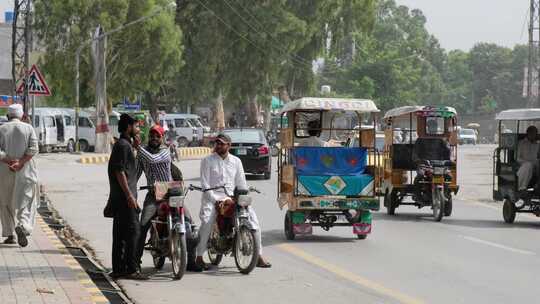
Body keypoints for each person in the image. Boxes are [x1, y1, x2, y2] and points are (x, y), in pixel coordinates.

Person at [195, 134, 271, 270]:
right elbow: (205, 184)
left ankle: (258, 256)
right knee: (207, 222)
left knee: (254, 220)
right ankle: (199, 256)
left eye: (222, 144)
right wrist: (215, 200)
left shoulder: (236, 161)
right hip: (212, 198)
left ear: (229, 146)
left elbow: (241, 183)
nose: (218, 146)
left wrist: (243, 196)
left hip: (232, 198)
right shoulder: (207, 160)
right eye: (217, 143)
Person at [134, 125, 198, 271]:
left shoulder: (165, 150)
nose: (154, 138)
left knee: (190, 222)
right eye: (152, 135)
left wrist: (138, 148)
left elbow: (154, 159)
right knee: (143, 225)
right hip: (154, 195)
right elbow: (137, 173)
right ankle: (135, 262)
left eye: (158, 136)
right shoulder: (142, 154)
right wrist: (131, 191)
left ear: (162, 138)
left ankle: (192, 260)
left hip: (172, 191)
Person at [107, 114, 147, 280]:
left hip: (124, 197)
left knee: (121, 234)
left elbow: (132, 172)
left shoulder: (126, 145)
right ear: (129, 127)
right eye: (136, 126)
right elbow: (119, 171)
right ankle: (130, 269)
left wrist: (137, 149)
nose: (139, 130)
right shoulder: (123, 145)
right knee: (134, 233)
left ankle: (119, 269)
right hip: (125, 199)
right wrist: (130, 196)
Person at [0, 104, 39, 247]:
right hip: (26, 171)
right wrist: (21, 162)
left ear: (7, 116)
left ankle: (10, 235)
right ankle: (23, 225)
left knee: (5, 202)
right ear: (22, 116)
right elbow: (34, 148)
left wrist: (10, 161)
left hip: (5, 171)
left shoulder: (1, 129)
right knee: (26, 201)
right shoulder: (28, 128)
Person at [516, 126, 540, 198]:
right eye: (532, 133)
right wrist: (527, 162)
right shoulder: (521, 143)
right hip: (523, 165)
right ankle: (522, 188)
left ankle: (538, 185)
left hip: (535, 165)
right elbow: (517, 158)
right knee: (528, 165)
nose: (533, 135)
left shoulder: (538, 144)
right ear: (528, 133)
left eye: (535, 133)